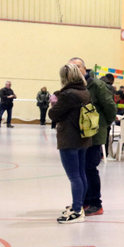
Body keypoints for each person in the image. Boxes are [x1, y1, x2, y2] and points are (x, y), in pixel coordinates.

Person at [68, 57, 117, 217]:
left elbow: (110, 106)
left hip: (95, 133)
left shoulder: (96, 85)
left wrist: (103, 124)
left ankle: (96, 204)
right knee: (82, 169)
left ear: (84, 69)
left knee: (90, 168)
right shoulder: (73, 86)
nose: (75, 70)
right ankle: (85, 201)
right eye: (71, 67)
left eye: (77, 67)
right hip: (80, 134)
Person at [48, 64, 92, 224]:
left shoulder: (68, 94)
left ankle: (76, 210)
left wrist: (54, 103)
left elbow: (53, 114)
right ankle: (78, 206)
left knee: (74, 177)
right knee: (81, 174)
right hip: (83, 137)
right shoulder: (84, 91)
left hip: (69, 138)